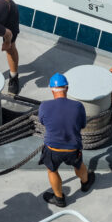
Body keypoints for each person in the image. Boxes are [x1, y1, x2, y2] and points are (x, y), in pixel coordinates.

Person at [37, 73, 95, 208]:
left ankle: (59, 198)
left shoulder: (44, 106)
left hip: (53, 149)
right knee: (78, 165)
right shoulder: (78, 106)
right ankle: (85, 184)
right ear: (67, 88)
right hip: (72, 149)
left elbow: (42, 122)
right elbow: (82, 125)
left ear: (51, 89)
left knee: (52, 171)